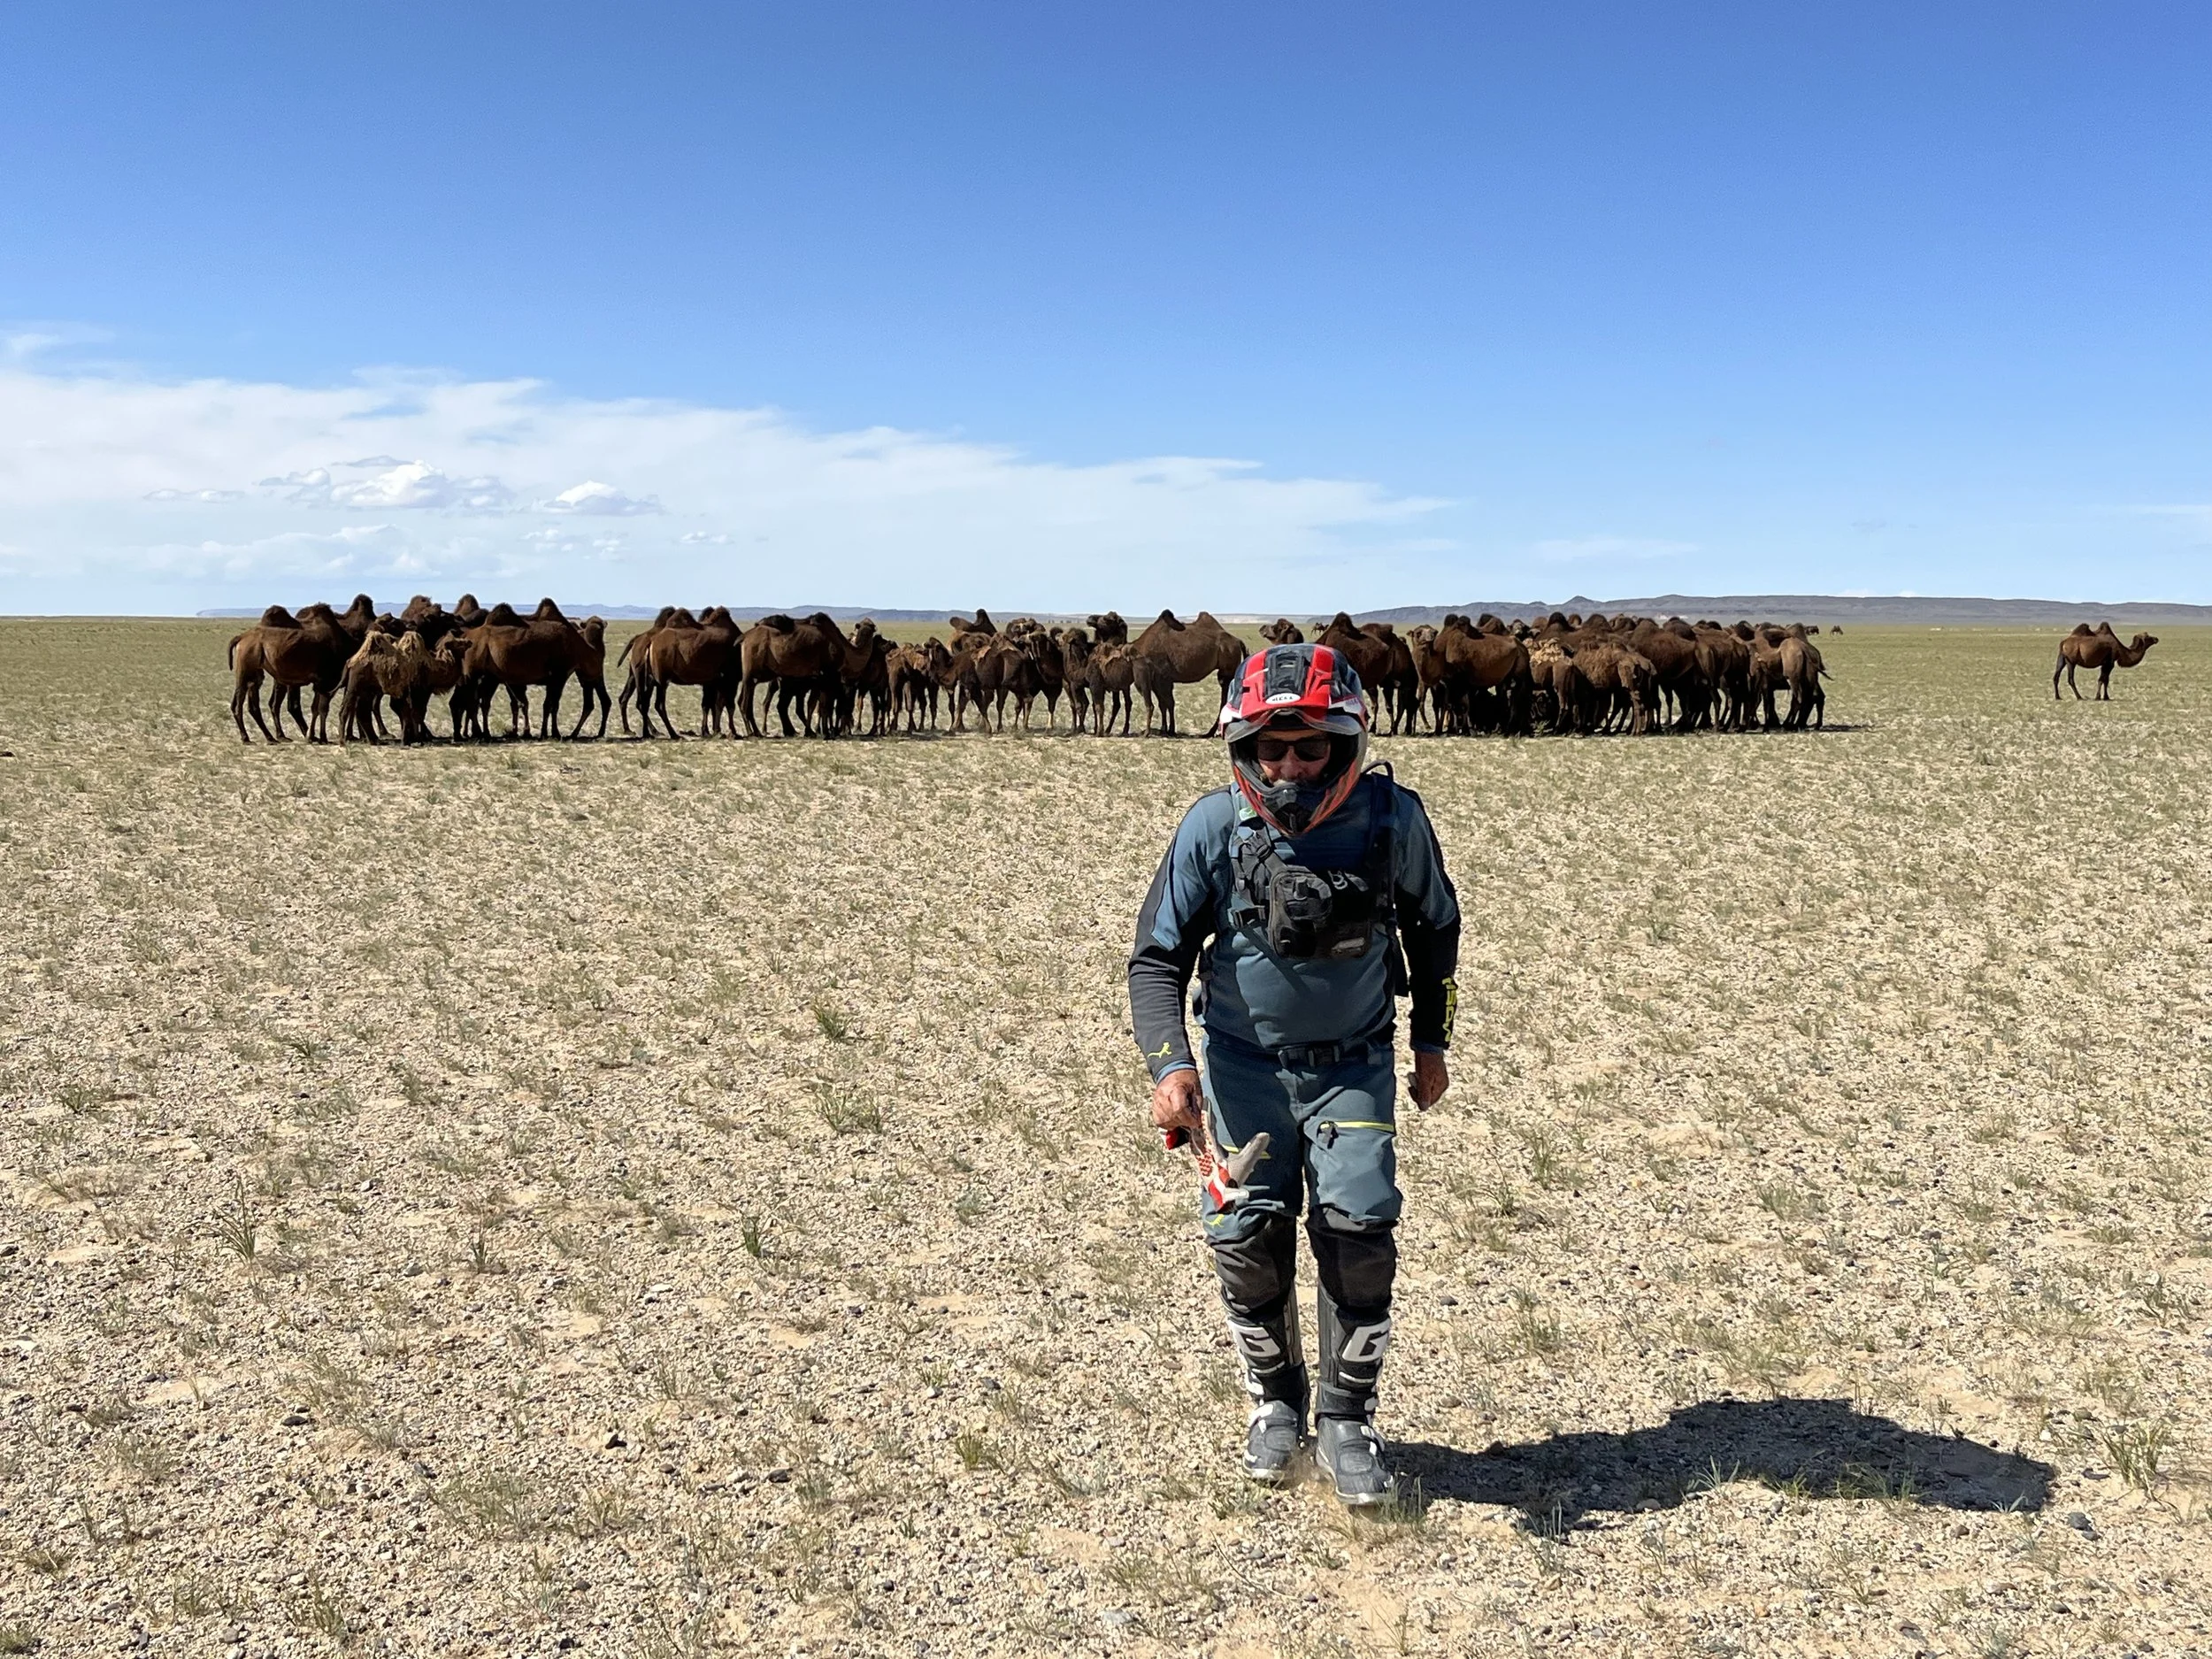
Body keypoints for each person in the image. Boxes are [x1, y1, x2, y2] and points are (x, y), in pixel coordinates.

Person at [1127, 642, 1460, 1506]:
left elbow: (1435, 930)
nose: (1288, 766)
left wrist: (1431, 1040)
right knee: (1246, 1242)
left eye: (1308, 747)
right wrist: (1170, 1063)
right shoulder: (1211, 827)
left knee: (1359, 1240)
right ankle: (1275, 1405)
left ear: (1344, 744)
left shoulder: (1393, 819)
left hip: (1352, 1070)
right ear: (1243, 749)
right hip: (1240, 1076)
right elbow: (1155, 960)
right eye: (1271, 749)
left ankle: (1349, 1423)